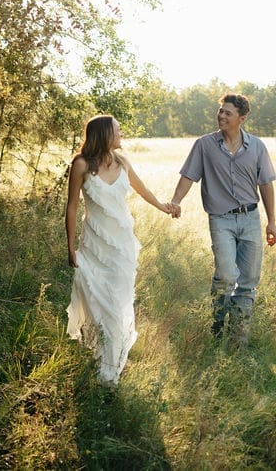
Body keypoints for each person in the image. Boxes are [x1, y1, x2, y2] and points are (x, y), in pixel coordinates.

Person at [65, 114, 177, 385]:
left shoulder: (123, 162)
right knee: (95, 299)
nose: (122, 133)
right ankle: (99, 354)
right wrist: (70, 249)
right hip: (94, 245)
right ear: (104, 134)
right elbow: (71, 207)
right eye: (117, 130)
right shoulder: (80, 165)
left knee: (118, 302)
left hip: (122, 247)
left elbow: (142, 190)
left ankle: (111, 366)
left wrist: (164, 207)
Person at [170, 93, 276, 346]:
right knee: (227, 275)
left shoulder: (257, 147)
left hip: (250, 218)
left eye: (227, 113)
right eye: (220, 111)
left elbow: (266, 185)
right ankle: (217, 323)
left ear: (242, 118)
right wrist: (176, 200)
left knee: (248, 281)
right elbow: (189, 176)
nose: (221, 116)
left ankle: (238, 339)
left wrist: (271, 221)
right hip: (221, 220)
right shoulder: (204, 145)